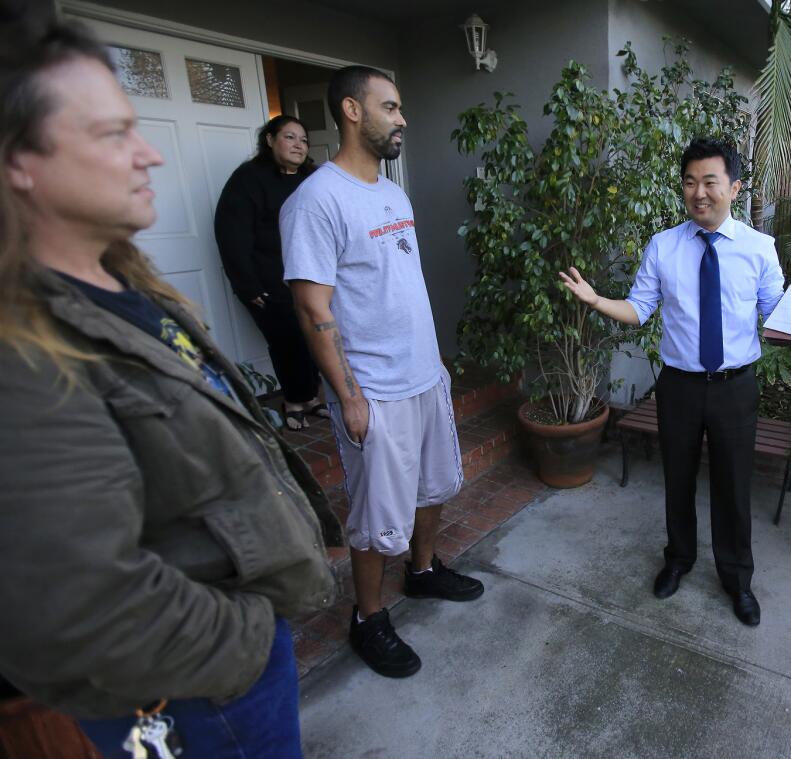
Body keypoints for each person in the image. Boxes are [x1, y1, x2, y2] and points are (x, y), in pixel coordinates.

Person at [0, 19, 342, 758]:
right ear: (19, 161)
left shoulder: (123, 286)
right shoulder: (23, 353)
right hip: (198, 686)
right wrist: (250, 639)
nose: (149, 150)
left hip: (229, 657)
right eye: (113, 132)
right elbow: (73, 610)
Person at [559, 137, 791, 626]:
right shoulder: (664, 246)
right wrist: (597, 301)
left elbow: (777, 315)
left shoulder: (758, 248)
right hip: (679, 386)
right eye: (689, 182)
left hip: (735, 387)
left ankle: (737, 579)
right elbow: (639, 310)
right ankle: (678, 559)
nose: (698, 192)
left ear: (735, 187)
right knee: (677, 480)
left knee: (732, 487)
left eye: (710, 182)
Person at [282, 65, 483, 679]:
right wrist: (347, 396)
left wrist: (435, 358)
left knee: (434, 485)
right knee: (373, 515)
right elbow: (313, 309)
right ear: (351, 110)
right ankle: (368, 616)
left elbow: (401, 285)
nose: (401, 119)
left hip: (423, 375)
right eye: (390, 107)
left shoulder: (393, 194)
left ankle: (421, 571)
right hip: (374, 390)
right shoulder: (315, 200)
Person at [214, 114, 327, 430]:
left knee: (312, 338)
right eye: (290, 137)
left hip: (309, 277)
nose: (299, 145)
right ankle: (294, 400)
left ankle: (313, 397)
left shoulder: (311, 178)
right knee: (286, 341)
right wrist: (248, 287)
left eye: (303, 140)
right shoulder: (248, 179)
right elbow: (231, 235)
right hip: (267, 283)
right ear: (270, 140)